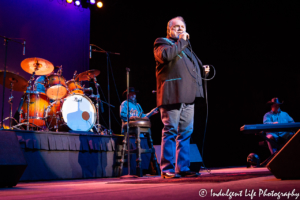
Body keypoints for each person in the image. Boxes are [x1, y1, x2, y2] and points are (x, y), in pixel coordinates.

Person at [153, 16, 208, 178]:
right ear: (169, 30)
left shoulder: (185, 48)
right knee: (170, 130)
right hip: (172, 94)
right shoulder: (162, 42)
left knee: (186, 132)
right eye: (176, 27)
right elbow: (165, 57)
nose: (180, 30)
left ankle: (182, 167)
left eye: (182, 27)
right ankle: (167, 169)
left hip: (188, 96)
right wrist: (182, 42)